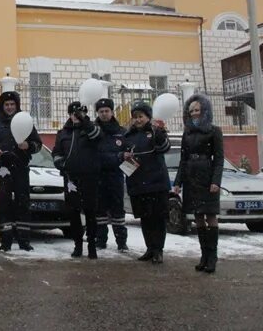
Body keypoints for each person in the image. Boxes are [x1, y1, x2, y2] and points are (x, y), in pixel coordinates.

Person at [0, 91, 42, 252]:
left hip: (21, 167)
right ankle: (6, 241)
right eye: (6, 105)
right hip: (3, 169)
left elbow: (38, 144)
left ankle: (24, 241)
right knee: (4, 204)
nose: (9, 107)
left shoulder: (26, 124)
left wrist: (28, 146)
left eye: (12, 104)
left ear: (17, 106)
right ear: (2, 106)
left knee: (23, 203)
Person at [173, 94, 224, 273]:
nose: (194, 113)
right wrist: (178, 182)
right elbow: (183, 159)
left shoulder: (214, 131)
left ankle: (212, 256)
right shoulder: (187, 133)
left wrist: (215, 181)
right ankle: (203, 256)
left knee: (210, 216)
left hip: (207, 176)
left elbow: (219, 159)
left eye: (197, 110)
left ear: (204, 110)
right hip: (191, 177)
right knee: (197, 217)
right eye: (191, 110)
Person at [52, 101, 102, 259]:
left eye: (79, 113)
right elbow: (57, 152)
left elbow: (97, 136)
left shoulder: (91, 129)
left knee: (90, 212)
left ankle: (92, 245)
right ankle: (77, 244)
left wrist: (84, 121)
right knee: (73, 213)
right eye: (73, 114)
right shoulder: (63, 133)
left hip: (90, 177)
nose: (76, 117)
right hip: (71, 178)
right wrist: (61, 164)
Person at [123, 100, 170, 264]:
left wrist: (160, 134)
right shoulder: (128, 136)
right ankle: (150, 248)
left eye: (141, 116)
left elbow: (164, 148)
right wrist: (123, 157)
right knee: (145, 218)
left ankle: (159, 250)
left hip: (156, 183)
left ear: (148, 117)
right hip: (137, 184)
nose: (137, 120)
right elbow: (121, 157)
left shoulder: (155, 131)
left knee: (158, 218)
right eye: (135, 117)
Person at [93, 98, 129, 252]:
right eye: (101, 112)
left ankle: (121, 242)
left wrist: (122, 162)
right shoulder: (94, 132)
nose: (104, 114)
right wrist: (117, 157)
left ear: (112, 112)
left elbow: (129, 154)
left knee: (118, 211)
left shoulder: (121, 133)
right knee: (99, 211)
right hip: (99, 177)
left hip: (116, 177)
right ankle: (101, 240)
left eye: (107, 111)